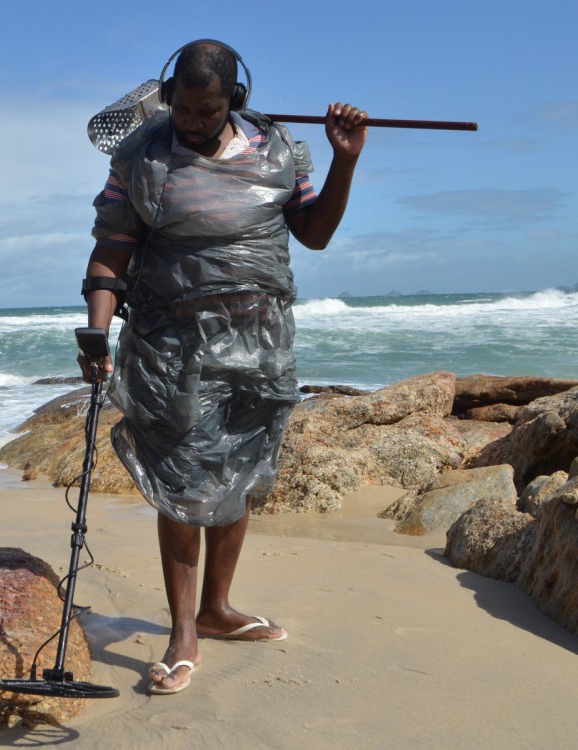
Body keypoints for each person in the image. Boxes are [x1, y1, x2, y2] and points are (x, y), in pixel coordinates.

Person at [80, 41, 367, 695]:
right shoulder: (143, 155)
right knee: (183, 484)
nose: (192, 121)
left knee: (240, 470)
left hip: (260, 346)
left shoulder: (279, 149)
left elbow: (313, 233)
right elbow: (111, 250)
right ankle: (183, 630)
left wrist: (345, 162)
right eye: (182, 107)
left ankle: (217, 608)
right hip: (171, 348)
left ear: (233, 100)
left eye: (207, 111)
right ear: (167, 95)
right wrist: (96, 333)